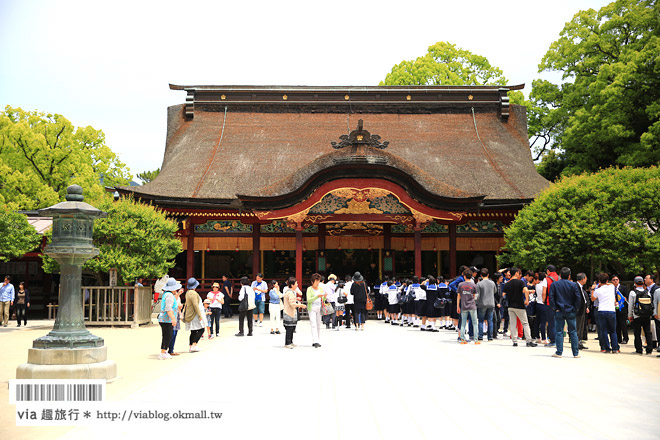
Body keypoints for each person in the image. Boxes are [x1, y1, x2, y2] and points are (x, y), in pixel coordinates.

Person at [548, 267, 582, 358]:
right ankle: (575, 353)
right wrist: (575, 308)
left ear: (560, 275)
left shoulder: (554, 284)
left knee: (559, 331)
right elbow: (578, 298)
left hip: (559, 310)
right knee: (573, 331)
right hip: (570, 310)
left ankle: (559, 352)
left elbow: (551, 298)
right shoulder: (573, 285)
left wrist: (555, 308)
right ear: (569, 275)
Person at [502, 268, 537, 347]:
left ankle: (514, 341)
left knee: (513, 324)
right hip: (520, 306)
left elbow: (503, 294)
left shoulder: (507, 283)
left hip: (510, 306)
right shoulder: (520, 282)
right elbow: (526, 290)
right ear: (517, 273)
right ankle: (528, 341)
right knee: (525, 323)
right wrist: (527, 300)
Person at [591, 272, 620, 354]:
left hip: (602, 310)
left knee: (603, 330)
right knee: (613, 331)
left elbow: (593, 299)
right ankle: (615, 348)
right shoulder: (611, 287)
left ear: (599, 281)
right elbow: (610, 283)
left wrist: (593, 289)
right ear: (607, 280)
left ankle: (607, 348)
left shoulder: (598, 290)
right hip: (611, 310)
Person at [628, 276, 654, 355]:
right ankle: (649, 349)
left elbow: (630, 305)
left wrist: (630, 315)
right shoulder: (648, 292)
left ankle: (639, 349)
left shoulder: (633, 292)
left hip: (637, 315)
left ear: (635, 283)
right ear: (643, 283)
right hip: (646, 315)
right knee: (648, 332)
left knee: (637, 332)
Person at [157, 278, 182, 360]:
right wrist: (173, 319)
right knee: (168, 335)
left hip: (165, 319)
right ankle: (163, 352)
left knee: (167, 335)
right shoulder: (170, 295)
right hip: (166, 320)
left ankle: (164, 351)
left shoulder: (166, 294)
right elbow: (168, 308)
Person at [182, 277, 207, 352]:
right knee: (201, 329)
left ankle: (191, 346)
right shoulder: (193, 293)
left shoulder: (188, 292)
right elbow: (195, 305)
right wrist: (200, 315)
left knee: (193, 331)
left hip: (191, 313)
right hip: (195, 314)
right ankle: (194, 344)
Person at [282, 277, 306, 348]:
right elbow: (292, 304)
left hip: (289, 312)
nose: (297, 285)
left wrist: (296, 299)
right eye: (296, 283)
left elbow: (290, 300)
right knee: (289, 329)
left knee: (292, 328)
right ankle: (287, 343)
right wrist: (301, 305)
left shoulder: (289, 292)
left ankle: (290, 342)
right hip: (289, 313)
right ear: (292, 285)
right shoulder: (290, 292)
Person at [457, 269, 479, 344]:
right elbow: (474, 295)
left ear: (464, 276)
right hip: (472, 306)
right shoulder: (474, 285)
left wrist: (458, 306)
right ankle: (476, 339)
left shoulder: (460, 285)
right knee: (475, 323)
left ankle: (462, 339)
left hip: (463, 306)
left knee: (463, 323)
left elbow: (458, 296)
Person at [307, 273, 327, 347]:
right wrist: (317, 296)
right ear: (312, 282)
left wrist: (324, 297)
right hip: (312, 308)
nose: (318, 283)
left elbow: (323, 299)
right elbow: (309, 300)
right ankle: (315, 340)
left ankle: (317, 340)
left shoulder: (320, 289)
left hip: (319, 307)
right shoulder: (309, 289)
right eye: (316, 281)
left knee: (319, 324)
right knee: (313, 324)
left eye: (318, 281)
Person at [476, 268, 496, 341]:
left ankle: (480, 336)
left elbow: (477, 295)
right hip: (491, 303)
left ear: (481, 275)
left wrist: (476, 302)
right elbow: (495, 291)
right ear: (488, 274)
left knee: (481, 320)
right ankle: (490, 337)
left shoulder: (479, 284)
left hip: (482, 303)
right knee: (490, 320)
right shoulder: (492, 283)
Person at [543, 265, 560, 347]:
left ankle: (553, 341)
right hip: (560, 303)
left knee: (551, 322)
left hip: (550, 303)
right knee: (559, 322)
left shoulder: (547, 279)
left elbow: (544, 292)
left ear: (548, 271)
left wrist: (543, 300)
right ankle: (559, 340)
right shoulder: (560, 278)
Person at [575, 273, 591, 350]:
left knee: (581, 327)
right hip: (578, 309)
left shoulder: (580, 287)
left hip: (582, 309)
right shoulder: (576, 286)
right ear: (583, 278)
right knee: (578, 326)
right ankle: (577, 342)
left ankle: (579, 341)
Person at [612, 275, 629, 344]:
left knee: (623, 324)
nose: (615, 281)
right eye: (614, 280)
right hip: (614, 308)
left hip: (622, 308)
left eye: (617, 279)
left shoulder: (623, 288)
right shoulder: (611, 289)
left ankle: (625, 338)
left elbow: (626, 297)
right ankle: (618, 338)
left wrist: (623, 299)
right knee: (616, 325)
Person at [168, 285, 184, 356]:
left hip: (176, 314)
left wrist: (180, 312)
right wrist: (178, 294)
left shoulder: (177, 295)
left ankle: (171, 349)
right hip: (171, 315)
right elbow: (173, 301)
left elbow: (178, 303)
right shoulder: (169, 295)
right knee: (172, 333)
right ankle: (167, 349)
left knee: (175, 333)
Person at [533, 273, 547, 343]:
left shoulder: (537, 285)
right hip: (542, 304)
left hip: (537, 303)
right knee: (543, 322)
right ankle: (544, 338)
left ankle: (537, 337)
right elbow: (544, 293)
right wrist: (544, 300)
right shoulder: (544, 285)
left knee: (537, 321)